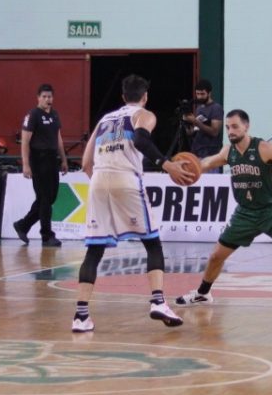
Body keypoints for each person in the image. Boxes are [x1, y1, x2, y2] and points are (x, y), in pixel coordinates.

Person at [175, 109, 272, 316]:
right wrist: (187, 167)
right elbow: (207, 163)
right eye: (227, 128)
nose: (230, 131)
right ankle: (203, 293)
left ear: (246, 126)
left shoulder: (264, 148)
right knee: (216, 256)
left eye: (235, 127)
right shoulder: (228, 152)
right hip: (245, 213)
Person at [71, 74, 193, 333]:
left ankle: (81, 316)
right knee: (152, 243)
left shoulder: (104, 120)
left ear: (123, 96)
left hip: (98, 181)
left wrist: (104, 185)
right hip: (125, 179)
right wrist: (167, 164)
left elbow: (85, 163)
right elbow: (140, 140)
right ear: (145, 97)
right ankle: (158, 301)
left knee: (94, 250)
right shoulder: (144, 114)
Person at [14, 83, 69, 247]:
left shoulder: (55, 115)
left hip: (52, 159)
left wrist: (63, 159)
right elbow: (25, 141)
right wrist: (26, 164)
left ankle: (23, 225)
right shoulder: (33, 115)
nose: (47, 99)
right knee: (44, 198)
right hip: (38, 159)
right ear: (38, 98)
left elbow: (58, 138)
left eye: (49, 96)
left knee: (50, 198)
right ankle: (47, 235)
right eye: (44, 97)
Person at [181, 79, 223, 167]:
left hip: (210, 154)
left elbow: (215, 132)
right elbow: (193, 131)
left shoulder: (216, 108)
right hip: (196, 152)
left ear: (209, 93)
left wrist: (195, 121)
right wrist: (186, 122)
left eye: (202, 94)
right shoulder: (199, 108)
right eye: (198, 94)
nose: (199, 97)